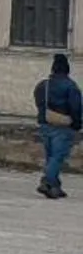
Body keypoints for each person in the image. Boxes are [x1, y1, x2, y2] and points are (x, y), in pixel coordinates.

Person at [36, 52, 80, 201]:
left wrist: (43, 116)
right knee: (58, 156)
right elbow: (76, 107)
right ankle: (47, 181)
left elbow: (39, 101)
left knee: (51, 156)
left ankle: (55, 186)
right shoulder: (70, 86)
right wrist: (77, 123)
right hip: (63, 126)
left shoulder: (44, 85)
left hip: (45, 124)